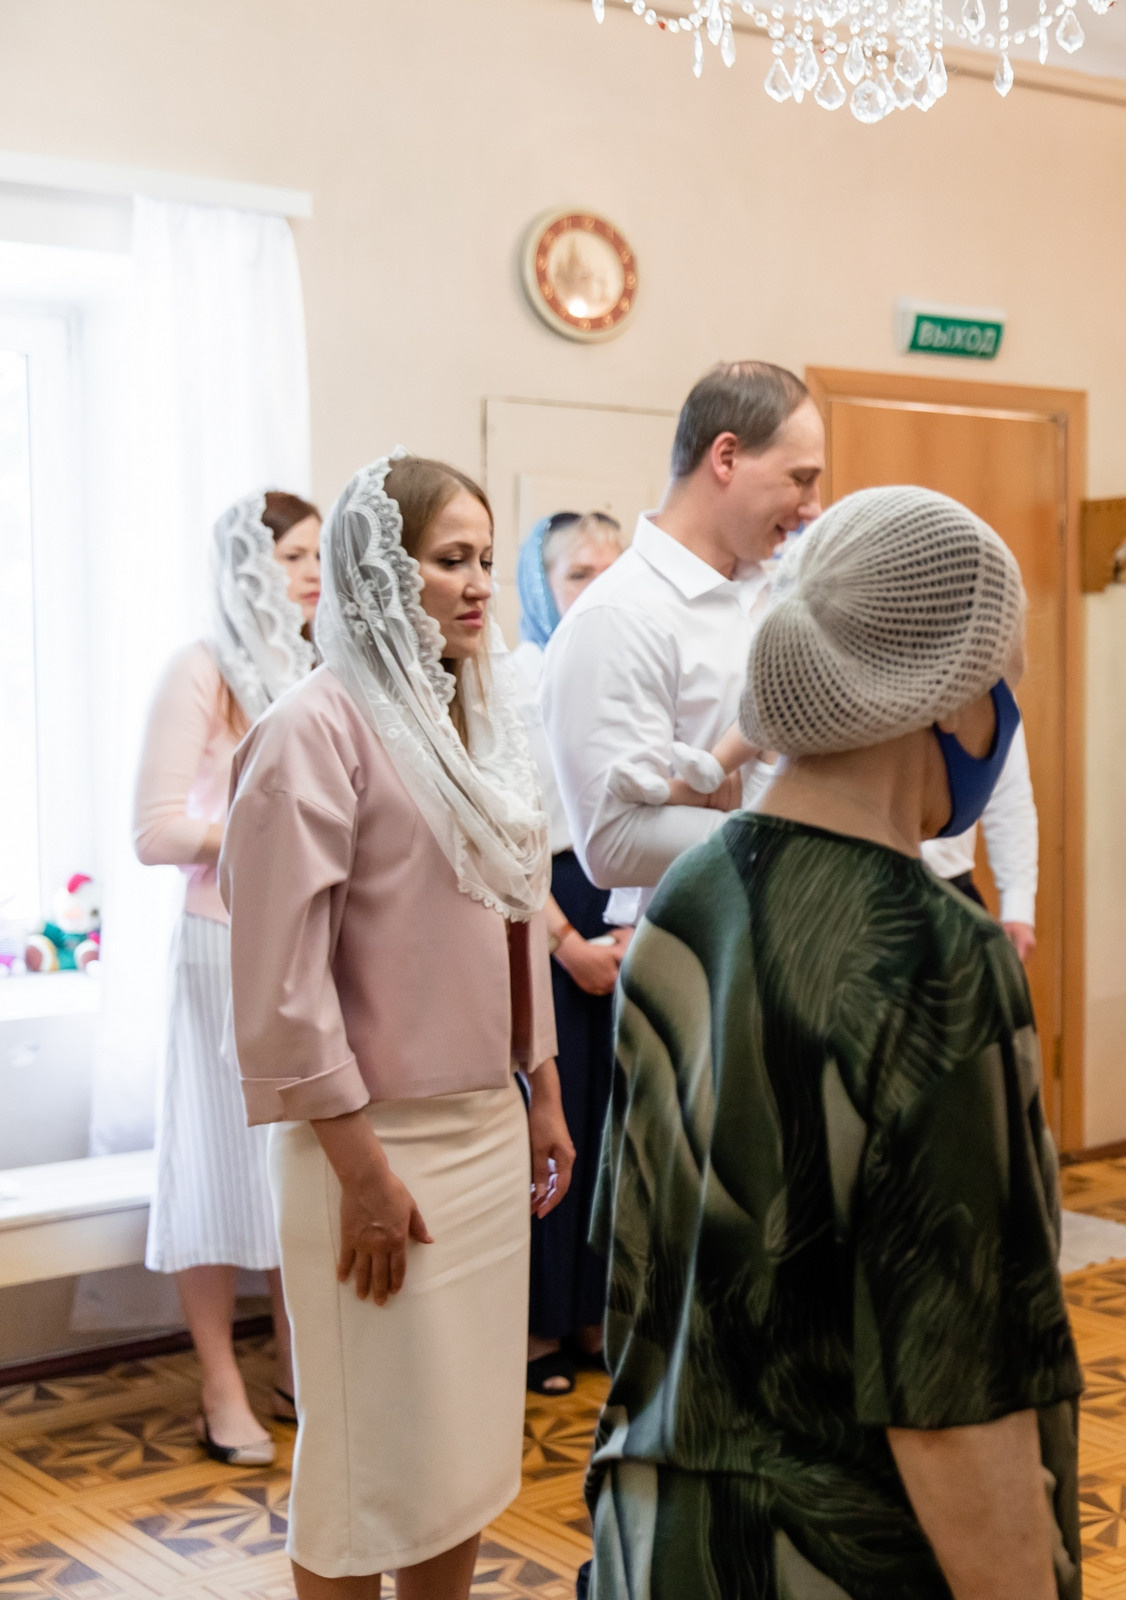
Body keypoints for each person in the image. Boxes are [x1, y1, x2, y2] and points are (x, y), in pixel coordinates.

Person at [587, 486, 1082, 1600]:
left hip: (658, 1536)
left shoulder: (687, 897)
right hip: (839, 1560)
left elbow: (636, 1265)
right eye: (1002, 684)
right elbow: (950, 1397)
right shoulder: (936, 955)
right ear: (947, 696)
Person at [222, 453, 577, 1600]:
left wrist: (542, 1088)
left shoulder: (475, 719)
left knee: (456, 1460)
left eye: (486, 559)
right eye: (449, 559)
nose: (477, 584)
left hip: (483, 1131)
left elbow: (517, 915)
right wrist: (363, 1174)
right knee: (364, 1467)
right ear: (382, 569)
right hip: (371, 1147)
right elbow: (281, 985)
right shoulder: (311, 728)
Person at [132, 489, 320, 1466]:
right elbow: (155, 831)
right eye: (293, 556)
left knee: (298, 1161)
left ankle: (297, 1364)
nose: (312, 573)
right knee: (215, 1163)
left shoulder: (318, 668)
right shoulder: (201, 669)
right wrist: (259, 829)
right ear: (248, 566)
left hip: (309, 946)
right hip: (219, 950)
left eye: (320, 555)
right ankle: (219, 1382)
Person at [542, 361, 825, 931]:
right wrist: (811, 845)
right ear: (726, 457)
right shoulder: (618, 615)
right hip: (701, 954)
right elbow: (613, 843)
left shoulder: (782, 592)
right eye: (800, 478)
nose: (813, 506)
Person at [506, 510, 630, 1395]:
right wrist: (564, 940)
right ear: (539, 585)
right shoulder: (515, 680)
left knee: (612, 1120)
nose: (597, 590)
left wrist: (634, 922)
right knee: (552, 1124)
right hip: (544, 910)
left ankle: (592, 1312)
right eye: (578, 574)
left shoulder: (626, 674)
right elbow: (509, 832)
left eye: (611, 573)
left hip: (620, 905)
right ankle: (537, 1326)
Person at [918, 728, 1038, 961]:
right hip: (859, 886)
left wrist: (1017, 901)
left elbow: (1008, 791)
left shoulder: (988, 702)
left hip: (952, 893)